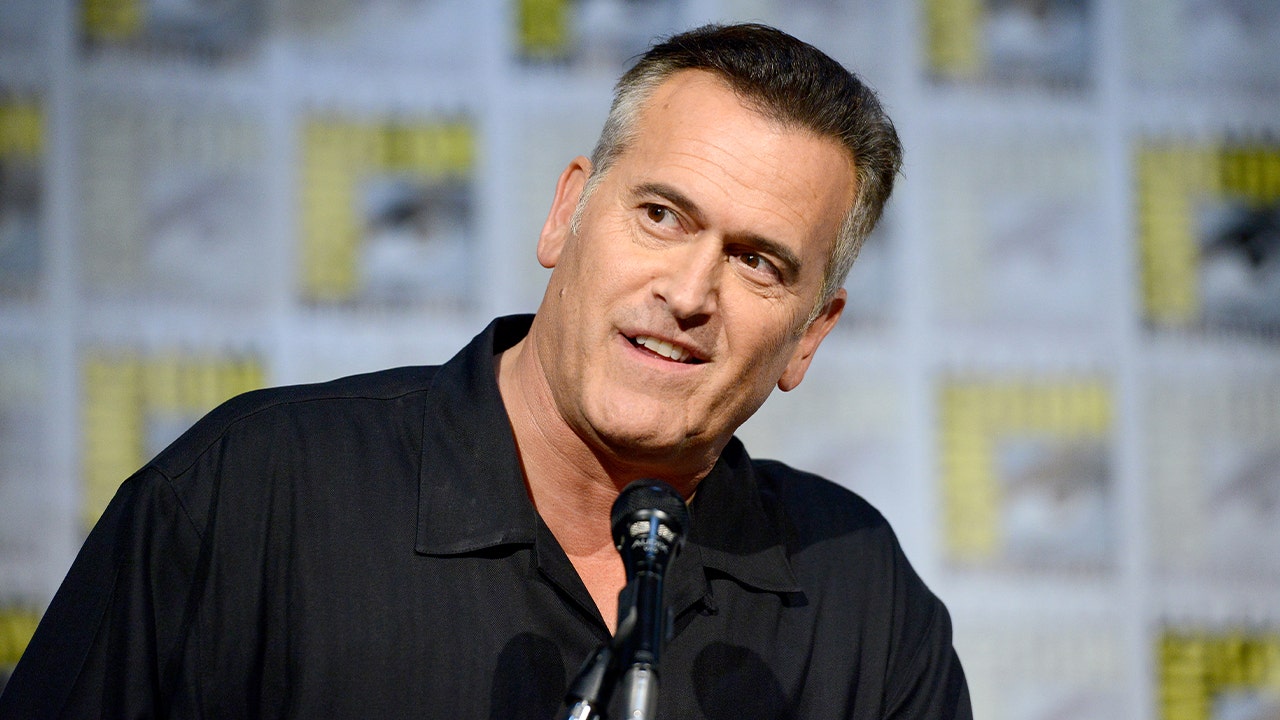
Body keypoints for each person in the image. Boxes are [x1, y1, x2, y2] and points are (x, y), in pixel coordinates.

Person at [0, 23, 971, 719]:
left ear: (809, 336)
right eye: (660, 216)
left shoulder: (860, 601)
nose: (688, 293)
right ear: (566, 214)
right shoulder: (253, 495)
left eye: (757, 262)